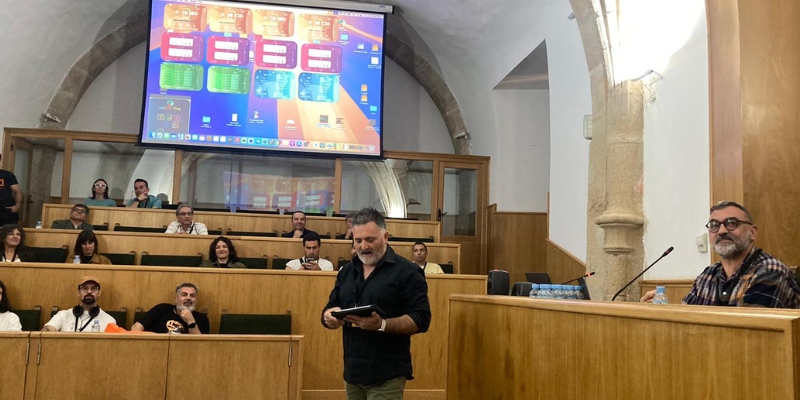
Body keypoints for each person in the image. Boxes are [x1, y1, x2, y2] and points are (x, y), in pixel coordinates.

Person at [321, 208, 431, 399]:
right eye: (358, 241)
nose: (363, 247)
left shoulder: (408, 272)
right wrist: (328, 317)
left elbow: (421, 319)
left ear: (386, 236)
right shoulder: (346, 271)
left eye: (370, 240)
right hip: (353, 373)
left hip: (387, 374)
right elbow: (331, 305)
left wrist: (382, 325)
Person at [641, 201, 800, 308]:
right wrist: (661, 311)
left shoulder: (770, 271)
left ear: (752, 232)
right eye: (714, 225)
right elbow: (687, 319)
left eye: (732, 223)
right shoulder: (707, 276)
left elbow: (748, 335)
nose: (722, 231)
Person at [42, 276, 116, 332]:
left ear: (99, 293)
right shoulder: (63, 315)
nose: (89, 291)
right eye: (85, 288)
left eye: (93, 288)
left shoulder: (109, 321)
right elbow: (46, 330)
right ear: (78, 293)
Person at [131, 282, 210, 334]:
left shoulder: (202, 318)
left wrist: (191, 321)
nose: (188, 298)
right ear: (176, 299)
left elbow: (200, 345)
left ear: (196, 301)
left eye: (192, 296)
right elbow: (136, 328)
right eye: (184, 294)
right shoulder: (161, 309)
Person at [0, 154, 22, 226]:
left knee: (8, 233)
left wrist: (17, 206)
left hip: (6, 211)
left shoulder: (7, 175)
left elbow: (17, 191)